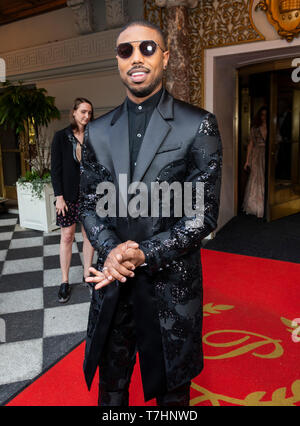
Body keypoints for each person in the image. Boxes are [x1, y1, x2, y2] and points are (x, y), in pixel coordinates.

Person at [79, 21, 222, 406]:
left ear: (165, 57)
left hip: (170, 286)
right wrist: (111, 250)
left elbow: (202, 215)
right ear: (117, 61)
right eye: (126, 51)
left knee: (172, 395)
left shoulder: (198, 124)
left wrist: (145, 253)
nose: (136, 58)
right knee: (112, 390)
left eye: (147, 48)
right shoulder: (97, 132)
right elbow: (89, 205)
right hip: (113, 283)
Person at [51, 98, 95, 303]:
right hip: (67, 197)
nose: (87, 116)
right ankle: (65, 281)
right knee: (67, 236)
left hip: (89, 195)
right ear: (74, 112)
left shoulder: (94, 136)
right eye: (83, 112)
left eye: (89, 113)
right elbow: (55, 169)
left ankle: (87, 275)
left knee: (89, 236)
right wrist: (59, 197)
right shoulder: (61, 137)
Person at [243, 106, 268, 218]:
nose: (264, 117)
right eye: (262, 114)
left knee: (266, 180)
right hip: (257, 155)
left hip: (268, 155)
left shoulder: (273, 126)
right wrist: (247, 161)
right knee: (256, 179)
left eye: (266, 114)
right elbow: (250, 144)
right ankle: (256, 207)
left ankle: (267, 207)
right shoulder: (255, 128)